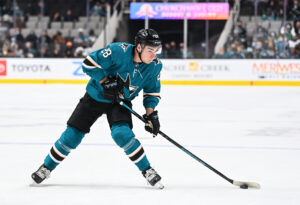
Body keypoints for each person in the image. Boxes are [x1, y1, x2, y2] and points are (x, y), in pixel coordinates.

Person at [31, 28, 164, 189]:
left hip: (120, 102)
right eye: (150, 50)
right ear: (139, 47)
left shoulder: (154, 66)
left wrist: (151, 114)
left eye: (156, 50)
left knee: (122, 134)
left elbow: (151, 91)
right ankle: (46, 167)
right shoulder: (118, 51)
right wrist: (104, 81)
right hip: (95, 97)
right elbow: (88, 63)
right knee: (72, 135)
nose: (153, 54)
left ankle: (148, 170)